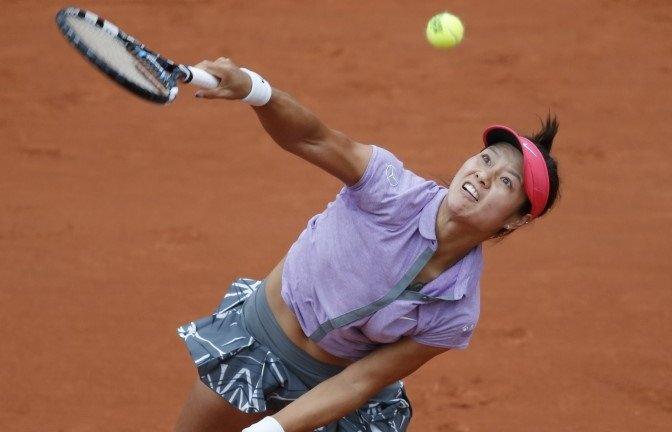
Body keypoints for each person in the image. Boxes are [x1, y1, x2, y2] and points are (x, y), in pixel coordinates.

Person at [173, 58, 561, 432]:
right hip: (256, 343)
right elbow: (311, 137)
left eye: (507, 182)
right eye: (486, 158)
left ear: (517, 219)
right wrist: (257, 91)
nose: (484, 175)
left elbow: (359, 382)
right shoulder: (389, 188)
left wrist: (271, 428)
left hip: (333, 397)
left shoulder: (456, 313)